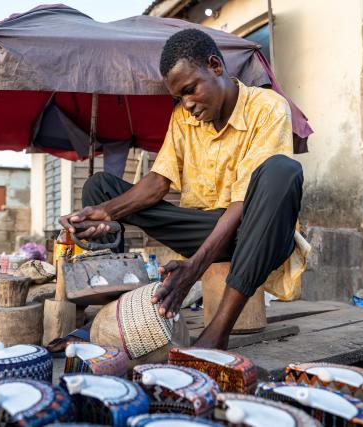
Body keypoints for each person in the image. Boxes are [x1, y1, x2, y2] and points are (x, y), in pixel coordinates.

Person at [59, 28, 306, 349]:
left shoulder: (268, 107)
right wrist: (105, 212)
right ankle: (116, 311)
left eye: (190, 90)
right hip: (204, 230)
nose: (187, 104)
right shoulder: (183, 118)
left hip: (257, 231)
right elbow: (159, 181)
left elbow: (243, 203)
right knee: (100, 186)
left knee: (282, 171)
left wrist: (196, 266)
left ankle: (217, 332)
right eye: (179, 97)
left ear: (215, 66)